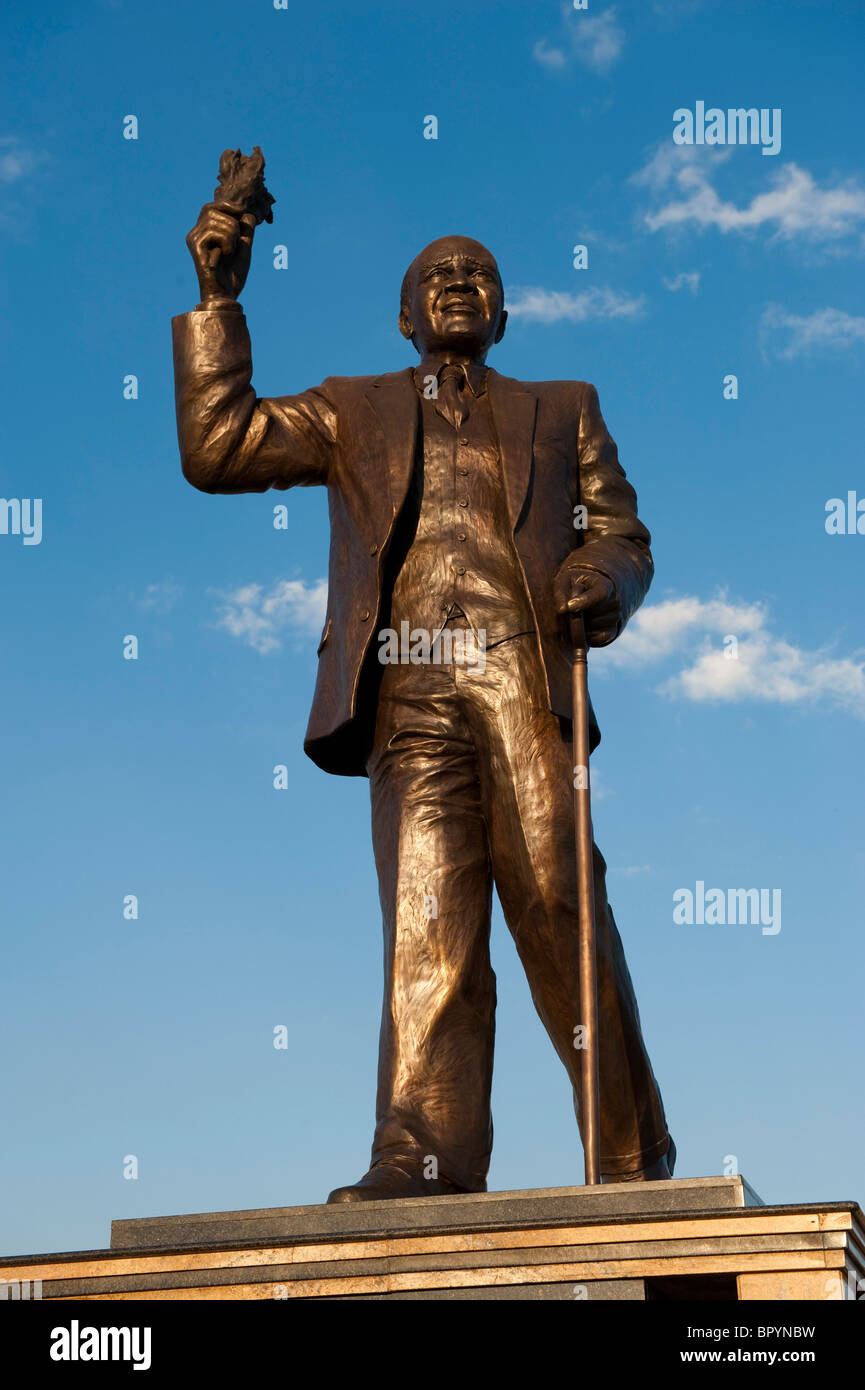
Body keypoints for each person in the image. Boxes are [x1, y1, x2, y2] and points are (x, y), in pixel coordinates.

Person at [174, 209, 675, 1202]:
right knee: (428, 923)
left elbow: (623, 533)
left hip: (524, 680)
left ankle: (628, 1156)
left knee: (560, 901)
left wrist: (604, 578)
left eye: (478, 273)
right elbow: (219, 447)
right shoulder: (351, 407)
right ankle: (423, 1156)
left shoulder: (563, 406)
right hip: (409, 691)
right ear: (404, 317)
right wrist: (219, 301)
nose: (456, 280)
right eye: (436, 274)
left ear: (504, 313)